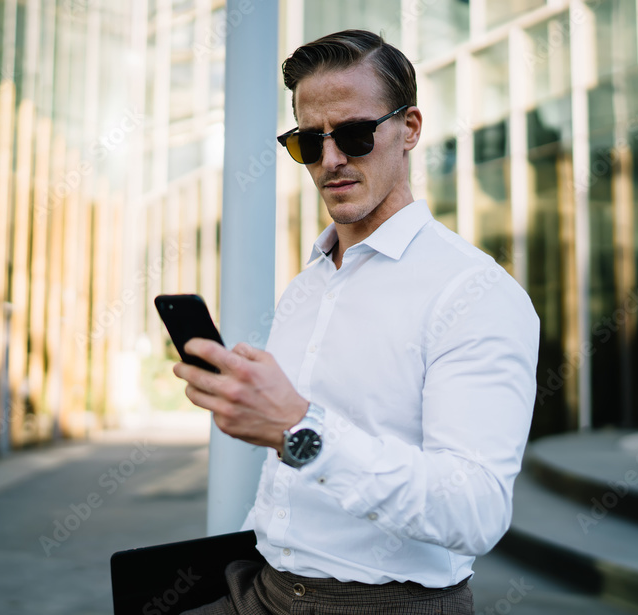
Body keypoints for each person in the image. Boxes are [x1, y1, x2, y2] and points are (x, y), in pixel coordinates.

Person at [173, 29, 539, 615]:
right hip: (260, 586)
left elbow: (475, 511)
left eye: (354, 134)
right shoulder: (308, 283)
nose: (331, 160)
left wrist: (300, 431)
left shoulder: (474, 292)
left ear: (410, 129)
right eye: (308, 143)